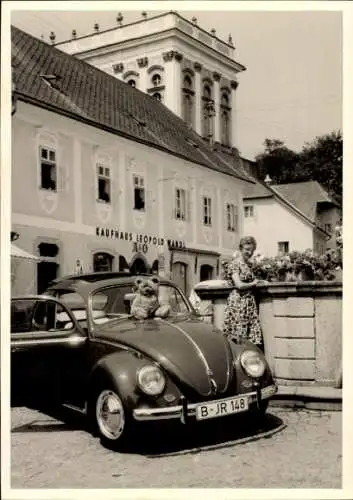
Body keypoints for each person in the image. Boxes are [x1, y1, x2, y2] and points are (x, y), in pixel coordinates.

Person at [223, 236, 265, 348]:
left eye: (252, 250)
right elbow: (239, 285)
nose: (250, 252)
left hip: (249, 304)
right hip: (238, 303)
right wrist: (253, 284)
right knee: (238, 338)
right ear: (241, 249)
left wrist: (261, 281)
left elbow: (252, 280)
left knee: (249, 339)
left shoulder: (249, 265)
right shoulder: (234, 264)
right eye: (247, 249)